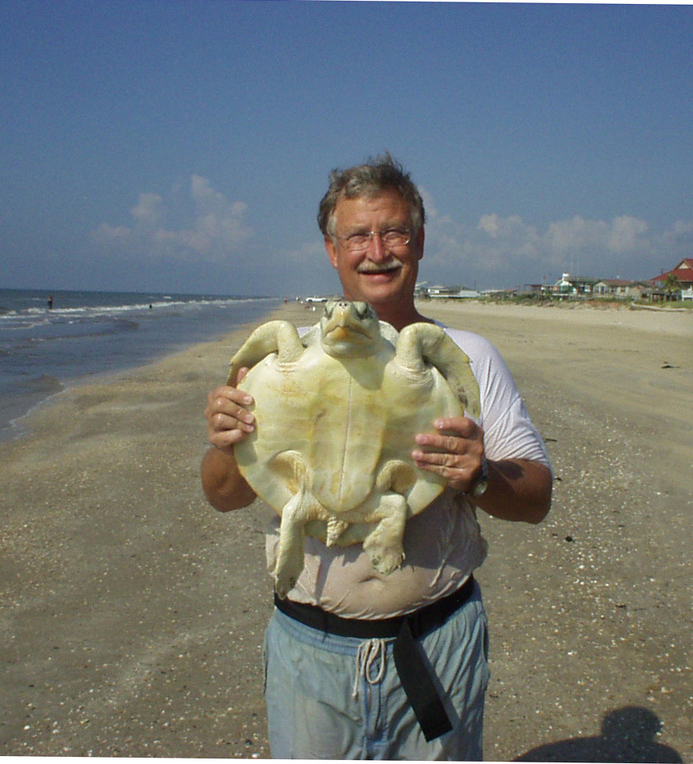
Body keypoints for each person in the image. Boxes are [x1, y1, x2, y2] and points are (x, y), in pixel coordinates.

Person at [201, 154, 552, 759]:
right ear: (332, 250)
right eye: (357, 235)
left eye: (393, 232)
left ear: (419, 242)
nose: (377, 250)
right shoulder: (275, 365)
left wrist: (481, 476)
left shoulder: (459, 357)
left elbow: (537, 497)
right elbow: (221, 493)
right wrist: (228, 440)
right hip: (310, 650)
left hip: (438, 644)